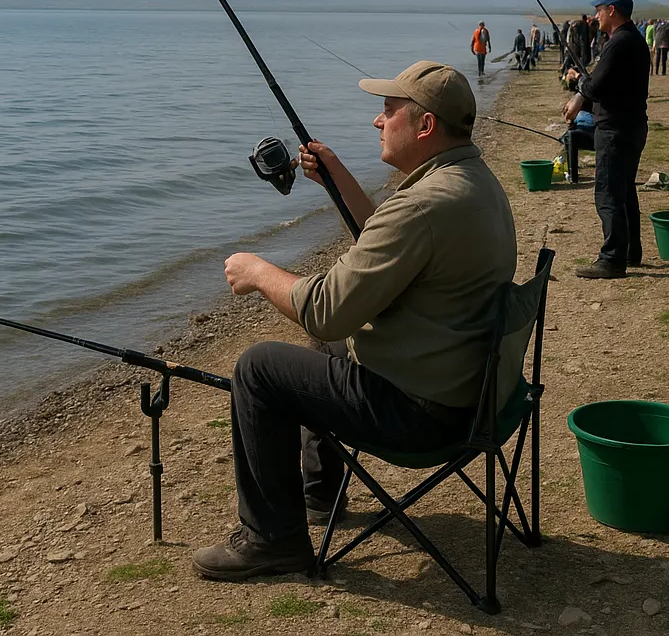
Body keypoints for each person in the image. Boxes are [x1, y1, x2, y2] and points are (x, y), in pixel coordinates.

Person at [192, 61, 517, 580]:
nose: (377, 121)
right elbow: (388, 246)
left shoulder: (423, 206)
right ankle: (319, 496)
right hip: (474, 393)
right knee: (333, 349)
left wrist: (258, 272)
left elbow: (325, 311)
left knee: (259, 368)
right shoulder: (472, 183)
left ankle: (272, 541)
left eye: (388, 111)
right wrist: (336, 176)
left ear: (425, 124)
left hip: (423, 414)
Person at [564, 0, 649, 279]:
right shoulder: (633, 39)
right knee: (625, 190)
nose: (596, 15)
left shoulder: (619, 42)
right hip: (632, 126)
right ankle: (631, 251)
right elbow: (608, 84)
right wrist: (584, 87)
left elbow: (596, 85)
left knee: (608, 192)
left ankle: (612, 259)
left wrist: (578, 93)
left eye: (599, 10)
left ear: (612, 10)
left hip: (615, 129)